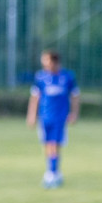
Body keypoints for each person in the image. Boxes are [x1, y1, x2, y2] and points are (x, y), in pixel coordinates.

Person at [26, 50, 80, 189]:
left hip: (60, 117)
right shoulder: (41, 77)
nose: (44, 63)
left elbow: (75, 96)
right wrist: (31, 115)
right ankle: (54, 171)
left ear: (54, 61)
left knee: (54, 144)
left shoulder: (67, 77)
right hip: (44, 116)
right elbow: (35, 97)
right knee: (47, 144)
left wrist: (74, 113)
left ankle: (52, 173)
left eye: (46, 60)